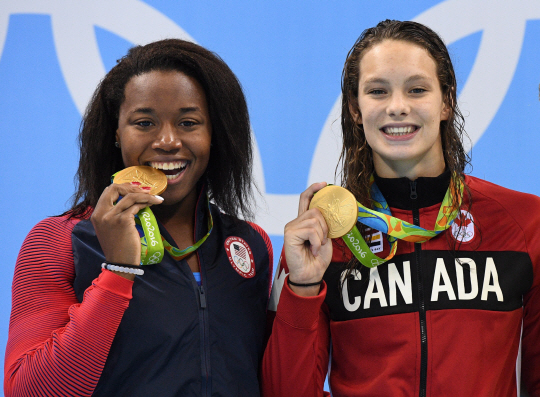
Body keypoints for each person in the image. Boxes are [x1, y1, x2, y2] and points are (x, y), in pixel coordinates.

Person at [261, 20, 540, 396]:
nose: (397, 107)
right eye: (377, 91)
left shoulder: (524, 223)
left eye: (417, 89)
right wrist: (303, 286)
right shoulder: (324, 235)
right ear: (355, 110)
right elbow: (285, 391)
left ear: (447, 102)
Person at [5, 39, 273, 397]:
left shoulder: (250, 244)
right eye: (144, 122)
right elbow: (29, 391)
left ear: (214, 134)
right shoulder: (59, 240)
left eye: (189, 122)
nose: (167, 140)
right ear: (117, 133)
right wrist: (117, 273)